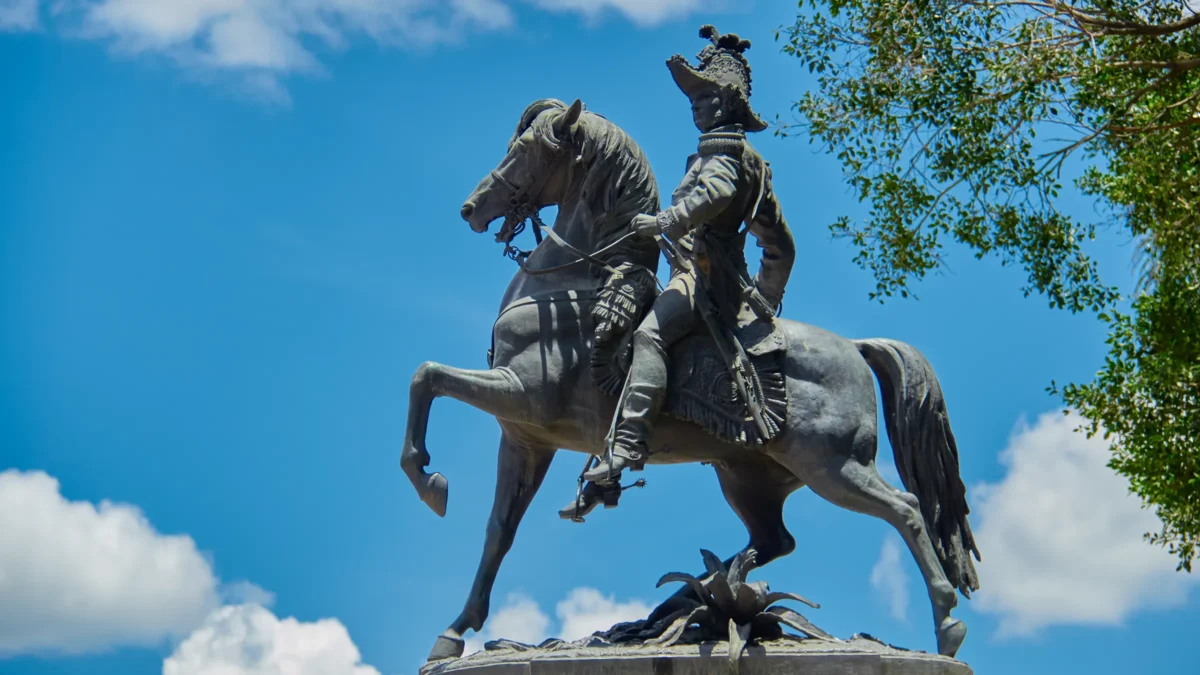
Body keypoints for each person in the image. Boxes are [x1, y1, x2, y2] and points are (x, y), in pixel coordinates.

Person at [561, 25, 796, 519]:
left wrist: (664, 221)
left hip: (702, 283)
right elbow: (781, 246)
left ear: (728, 104)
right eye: (694, 94)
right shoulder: (750, 163)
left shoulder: (725, 158)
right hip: (715, 282)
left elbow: (715, 195)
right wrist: (766, 301)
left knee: (647, 336)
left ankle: (625, 452)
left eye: (705, 94)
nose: (696, 103)